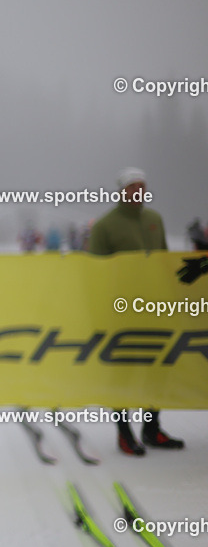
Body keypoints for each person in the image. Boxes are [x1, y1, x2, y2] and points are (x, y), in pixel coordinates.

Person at [88, 167, 184, 455]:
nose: (138, 192)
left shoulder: (154, 220)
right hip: (121, 311)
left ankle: (152, 428)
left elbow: (164, 260)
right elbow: (95, 272)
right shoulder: (105, 226)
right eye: (132, 187)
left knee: (158, 369)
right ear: (121, 191)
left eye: (141, 186)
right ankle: (124, 432)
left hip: (154, 308)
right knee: (124, 374)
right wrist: (98, 312)